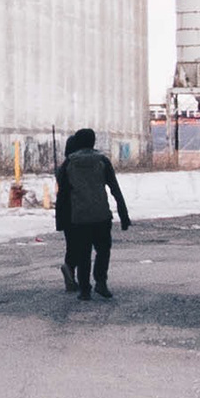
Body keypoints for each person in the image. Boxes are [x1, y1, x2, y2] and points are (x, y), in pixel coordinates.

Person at [53, 125, 135, 295]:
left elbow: (62, 196)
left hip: (79, 216)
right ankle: (101, 282)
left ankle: (84, 290)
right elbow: (115, 189)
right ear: (93, 141)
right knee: (103, 251)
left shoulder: (69, 163)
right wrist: (124, 215)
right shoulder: (102, 161)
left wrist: (60, 220)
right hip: (101, 214)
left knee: (83, 253)